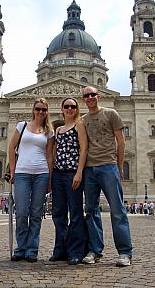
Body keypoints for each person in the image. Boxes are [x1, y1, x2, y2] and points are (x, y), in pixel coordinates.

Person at [81, 86, 133, 266]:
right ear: (83, 99)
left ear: (99, 96)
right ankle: (95, 251)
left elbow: (121, 141)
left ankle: (125, 253)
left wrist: (119, 167)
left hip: (109, 167)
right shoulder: (83, 120)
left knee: (118, 211)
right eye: (86, 95)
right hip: (89, 169)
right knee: (91, 211)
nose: (90, 97)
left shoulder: (111, 113)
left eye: (92, 94)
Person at [8, 98, 54, 262]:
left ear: (46, 112)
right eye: (38, 109)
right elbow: (11, 147)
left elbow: (49, 156)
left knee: (35, 214)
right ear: (33, 110)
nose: (40, 112)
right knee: (21, 212)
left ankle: (31, 250)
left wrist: (50, 178)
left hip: (41, 174)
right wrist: (12, 170)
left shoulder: (49, 130)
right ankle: (20, 248)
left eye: (43, 109)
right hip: (22, 173)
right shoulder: (22, 126)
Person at [50, 97, 88, 265]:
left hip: (72, 173)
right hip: (58, 174)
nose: (70, 109)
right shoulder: (58, 130)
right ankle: (60, 250)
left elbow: (84, 149)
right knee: (58, 214)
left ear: (77, 108)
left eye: (73, 106)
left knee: (75, 213)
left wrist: (79, 173)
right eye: (67, 106)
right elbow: (54, 153)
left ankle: (75, 251)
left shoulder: (80, 125)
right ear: (62, 109)